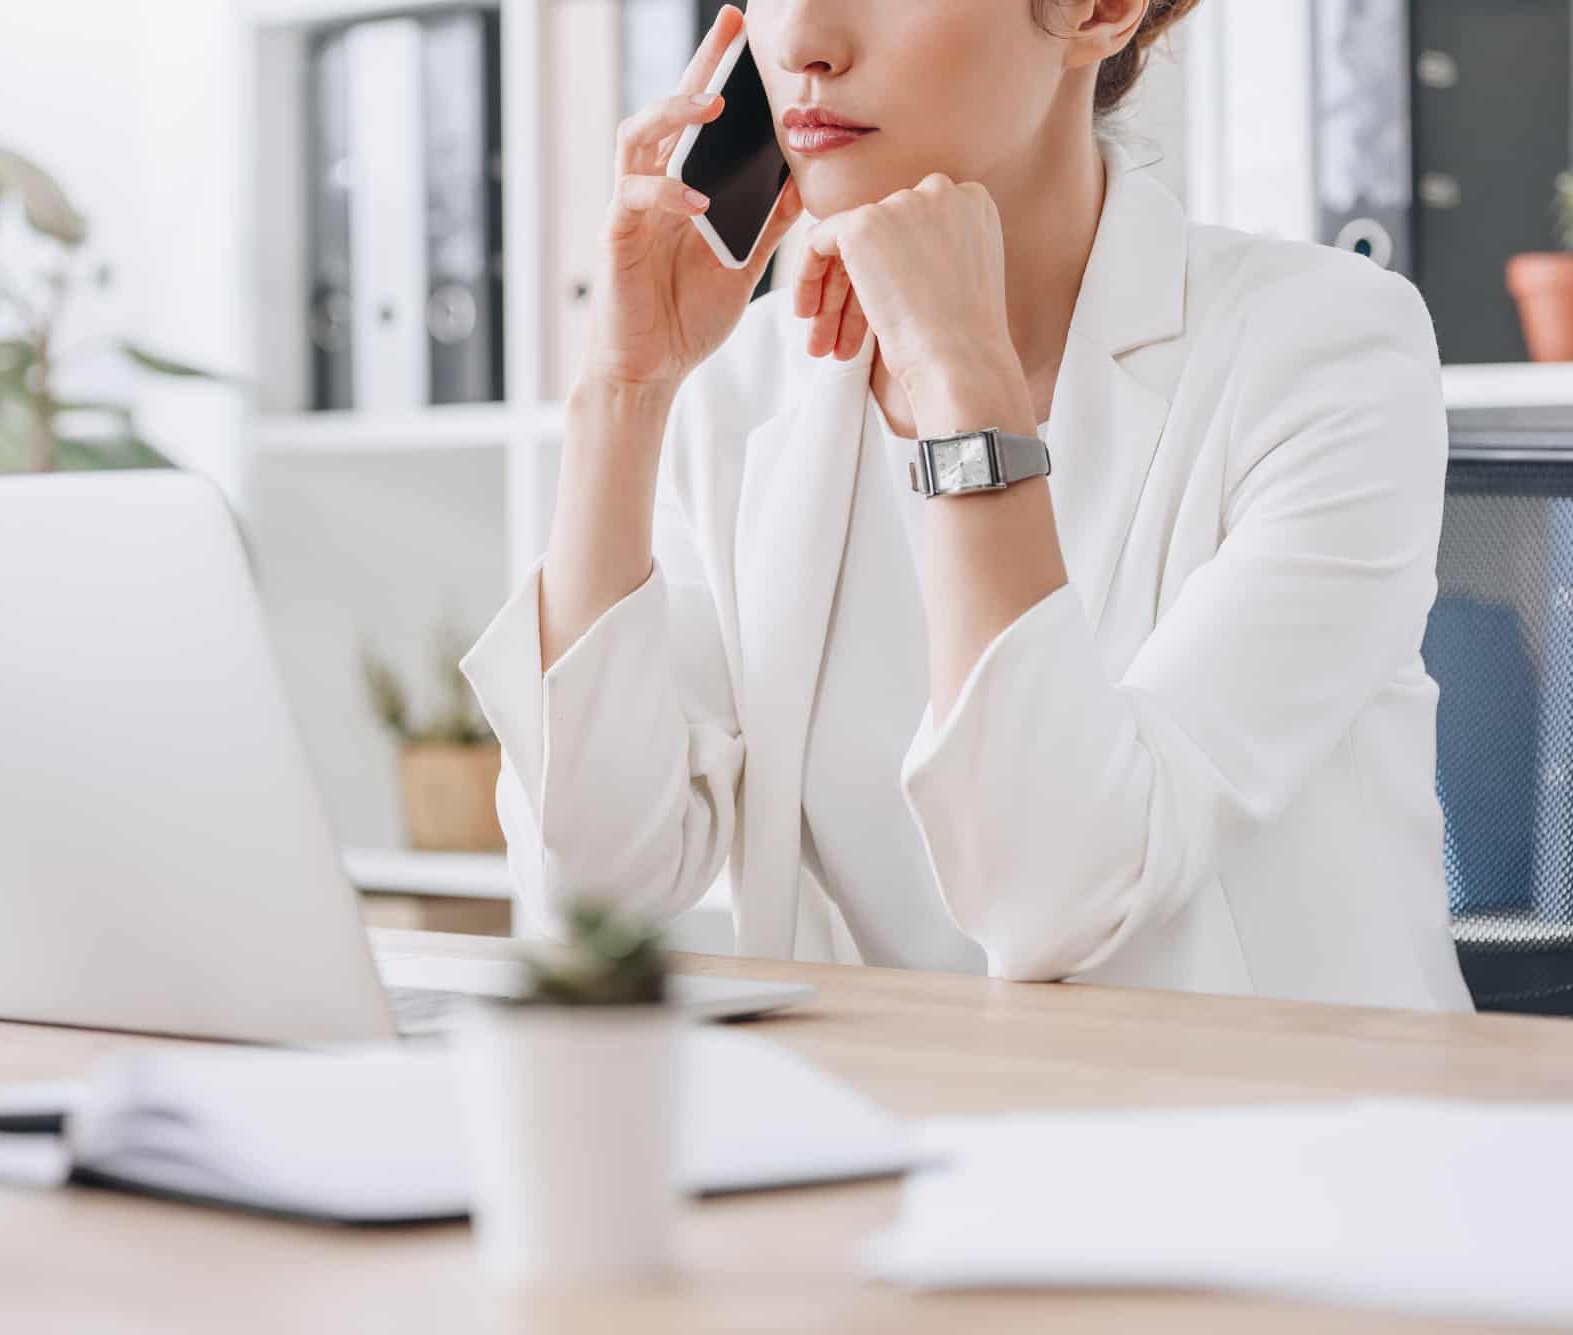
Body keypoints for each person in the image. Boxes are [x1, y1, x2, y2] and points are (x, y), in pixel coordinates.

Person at [460, 0, 1473, 1011]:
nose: (803, 40)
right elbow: (593, 895)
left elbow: (1059, 897)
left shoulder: (1326, 351)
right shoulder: (745, 390)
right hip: (898, 1122)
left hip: (1270, 1131)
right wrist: (624, 393)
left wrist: (961, 383)